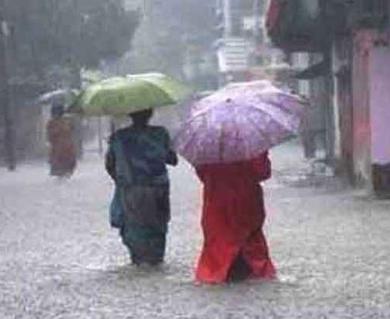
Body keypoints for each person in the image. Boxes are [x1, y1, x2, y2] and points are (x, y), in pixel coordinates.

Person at [105, 109, 177, 266]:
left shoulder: (119, 137)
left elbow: (110, 165)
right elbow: (173, 159)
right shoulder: (160, 134)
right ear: (150, 114)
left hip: (131, 189)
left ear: (130, 114)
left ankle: (138, 261)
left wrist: (121, 179)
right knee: (158, 225)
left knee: (134, 227)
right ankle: (156, 261)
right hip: (158, 189)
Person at [194, 152, 277, 284]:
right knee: (249, 233)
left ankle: (219, 269)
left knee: (218, 234)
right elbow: (263, 172)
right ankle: (251, 267)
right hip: (246, 196)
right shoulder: (251, 147)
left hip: (216, 197)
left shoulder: (208, 148)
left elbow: (202, 174)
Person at [46, 104, 77, 177]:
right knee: (60, 167)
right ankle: (61, 172)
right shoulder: (52, 123)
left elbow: (70, 131)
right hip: (59, 150)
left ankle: (64, 172)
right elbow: (50, 135)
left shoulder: (64, 122)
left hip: (65, 149)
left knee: (65, 167)